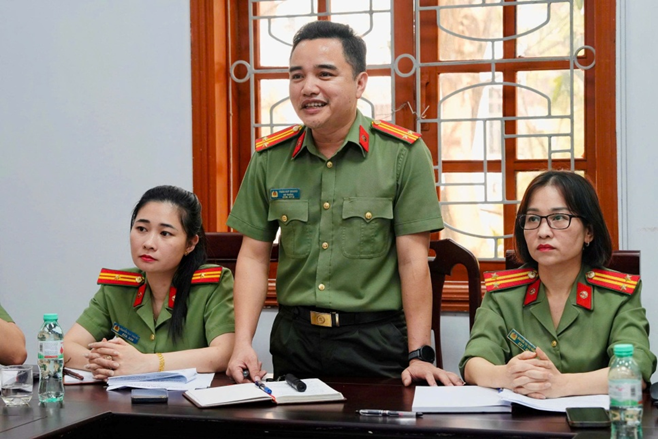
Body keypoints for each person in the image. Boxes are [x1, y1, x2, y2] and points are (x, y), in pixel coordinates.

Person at [225, 20, 462, 387]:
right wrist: (242, 343)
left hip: (375, 341)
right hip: (295, 340)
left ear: (360, 83)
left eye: (325, 74)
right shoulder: (270, 158)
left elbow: (413, 260)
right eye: (297, 76)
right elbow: (254, 257)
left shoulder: (402, 154)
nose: (308, 88)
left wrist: (419, 354)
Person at [460, 171, 656, 398]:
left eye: (559, 218)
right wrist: (504, 375)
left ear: (589, 232)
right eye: (533, 219)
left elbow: (635, 369)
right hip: (521, 419)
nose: (543, 232)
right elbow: (473, 362)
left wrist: (561, 385)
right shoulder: (503, 294)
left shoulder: (618, 295)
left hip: (596, 420)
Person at [63, 185, 235, 378]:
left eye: (165, 233)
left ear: (190, 243)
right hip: (125, 397)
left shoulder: (212, 285)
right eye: (141, 229)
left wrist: (147, 364)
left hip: (190, 397)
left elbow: (224, 354)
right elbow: (66, 347)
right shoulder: (116, 289)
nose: (148, 243)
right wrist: (109, 363)